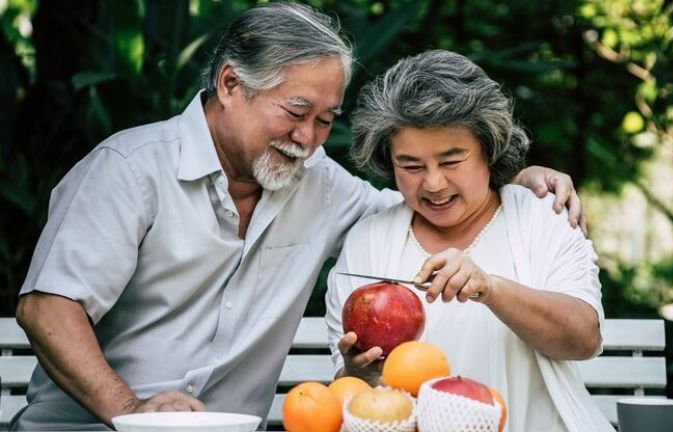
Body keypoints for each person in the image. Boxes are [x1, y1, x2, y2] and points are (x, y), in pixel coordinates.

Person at [12, 4, 584, 432]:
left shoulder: (320, 185)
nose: (308, 139)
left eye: (325, 120)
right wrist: (132, 412)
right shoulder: (128, 171)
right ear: (231, 83)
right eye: (296, 112)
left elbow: (427, 201)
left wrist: (514, 178)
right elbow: (48, 308)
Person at [325, 50, 613, 432]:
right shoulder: (369, 241)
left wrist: (490, 288)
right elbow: (353, 395)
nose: (433, 183)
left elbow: (583, 339)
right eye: (410, 165)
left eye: (451, 161)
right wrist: (356, 373)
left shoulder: (542, 216)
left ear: (488, 150)